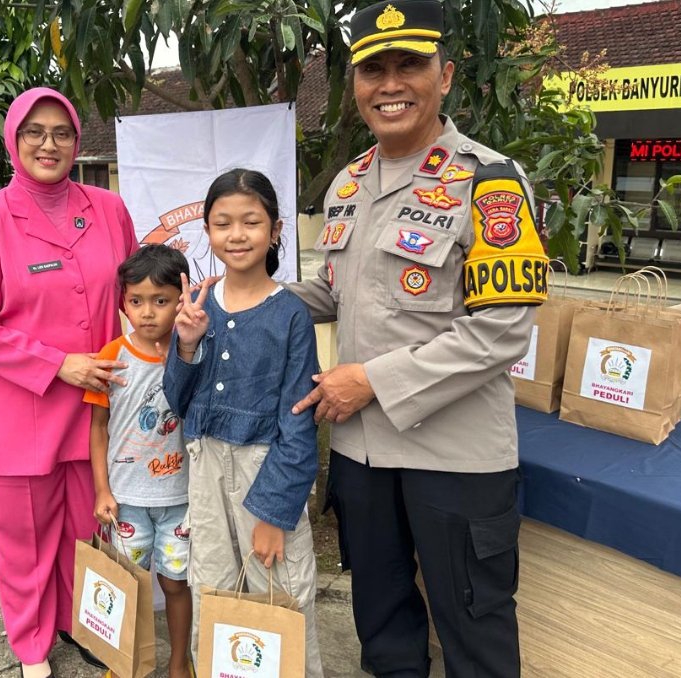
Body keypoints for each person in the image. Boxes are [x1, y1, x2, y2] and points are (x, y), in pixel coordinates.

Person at [287, 1, 549, 676]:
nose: (391, 84)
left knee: (475, 627)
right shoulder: (349, 184)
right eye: (374, 69)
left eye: (411, 65)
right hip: (362, 452)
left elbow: (502, 331)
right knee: (382, 622)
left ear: (447, 76)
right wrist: (237, 302)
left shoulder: (488, 182)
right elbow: (331, 295)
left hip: (454, 455)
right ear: (354, 85)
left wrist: (373, 379)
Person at [0, 87, 139, 678]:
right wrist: (58, 363)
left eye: (61, 132)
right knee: (25, 539)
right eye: (34, 132)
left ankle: (81, 622)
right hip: (20, 411)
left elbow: (134, 293)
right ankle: (30, 642)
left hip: (96, 406)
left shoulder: (108, 208)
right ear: (13, 140)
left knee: (86, 531)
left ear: (78, 140)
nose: (48, 144)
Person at [163, 169, 324, 677]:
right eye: (223, 223)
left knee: (280, 592)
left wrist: (275, 513)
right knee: (213, 587)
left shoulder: (291, 314)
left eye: (251, 222)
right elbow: (177, 400)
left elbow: (299, 420)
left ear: (275, 230)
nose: (237, 235)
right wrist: (186, 344)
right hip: (205, 465)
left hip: (265, 470)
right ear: (207, 232)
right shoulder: (198, 306)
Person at [84, 244, 194, 678]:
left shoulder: (194, 354)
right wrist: (102, 489)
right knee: (127, 583)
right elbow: (98, 429)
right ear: (123, 302)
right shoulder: (112, 356)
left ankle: (179, 660)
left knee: (175, 583)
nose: (147, 313)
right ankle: (123, 659)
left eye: (161, 301)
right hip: (126, 500)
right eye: (136, 301)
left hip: (181, 498)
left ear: (181, 300)